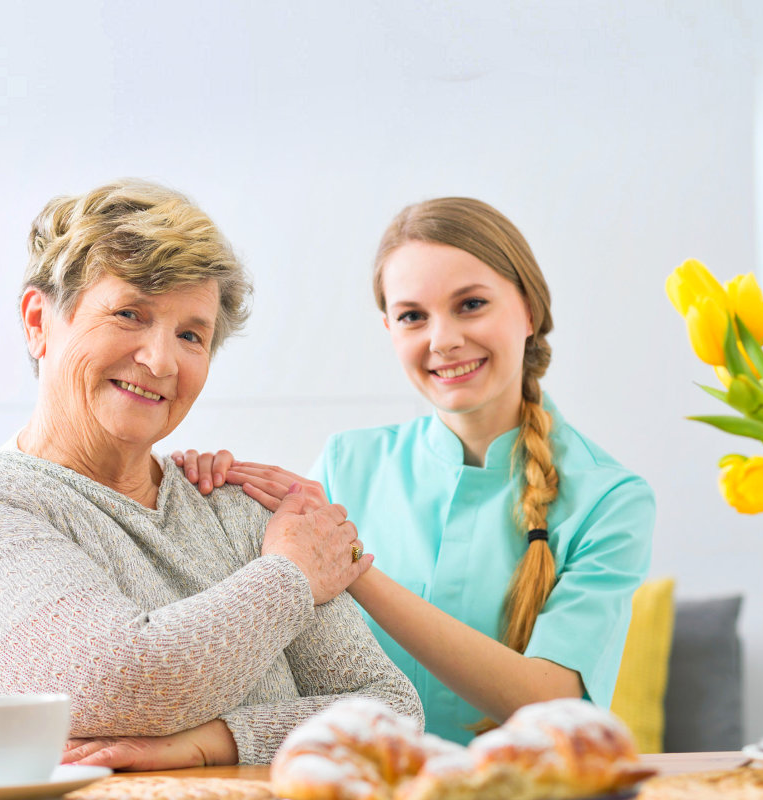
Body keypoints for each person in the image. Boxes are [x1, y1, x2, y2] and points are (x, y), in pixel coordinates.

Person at [0, 179, 421, 774]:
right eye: (129, 313)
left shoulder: (240, 507)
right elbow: (108, 683)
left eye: (191, 335)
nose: (160, 361)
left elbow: (391, 712)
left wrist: (216, 739)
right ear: (39, 321)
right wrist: (289, 579)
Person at [175, 197, 655, 744]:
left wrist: (350, 563)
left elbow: (551, 700)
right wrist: (201, 494)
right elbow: (258, 637)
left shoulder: (611, 498)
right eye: (412, 316)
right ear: (390, 328)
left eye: (470, 304)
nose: (443, 339)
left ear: (529, 309)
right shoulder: (344, 464)